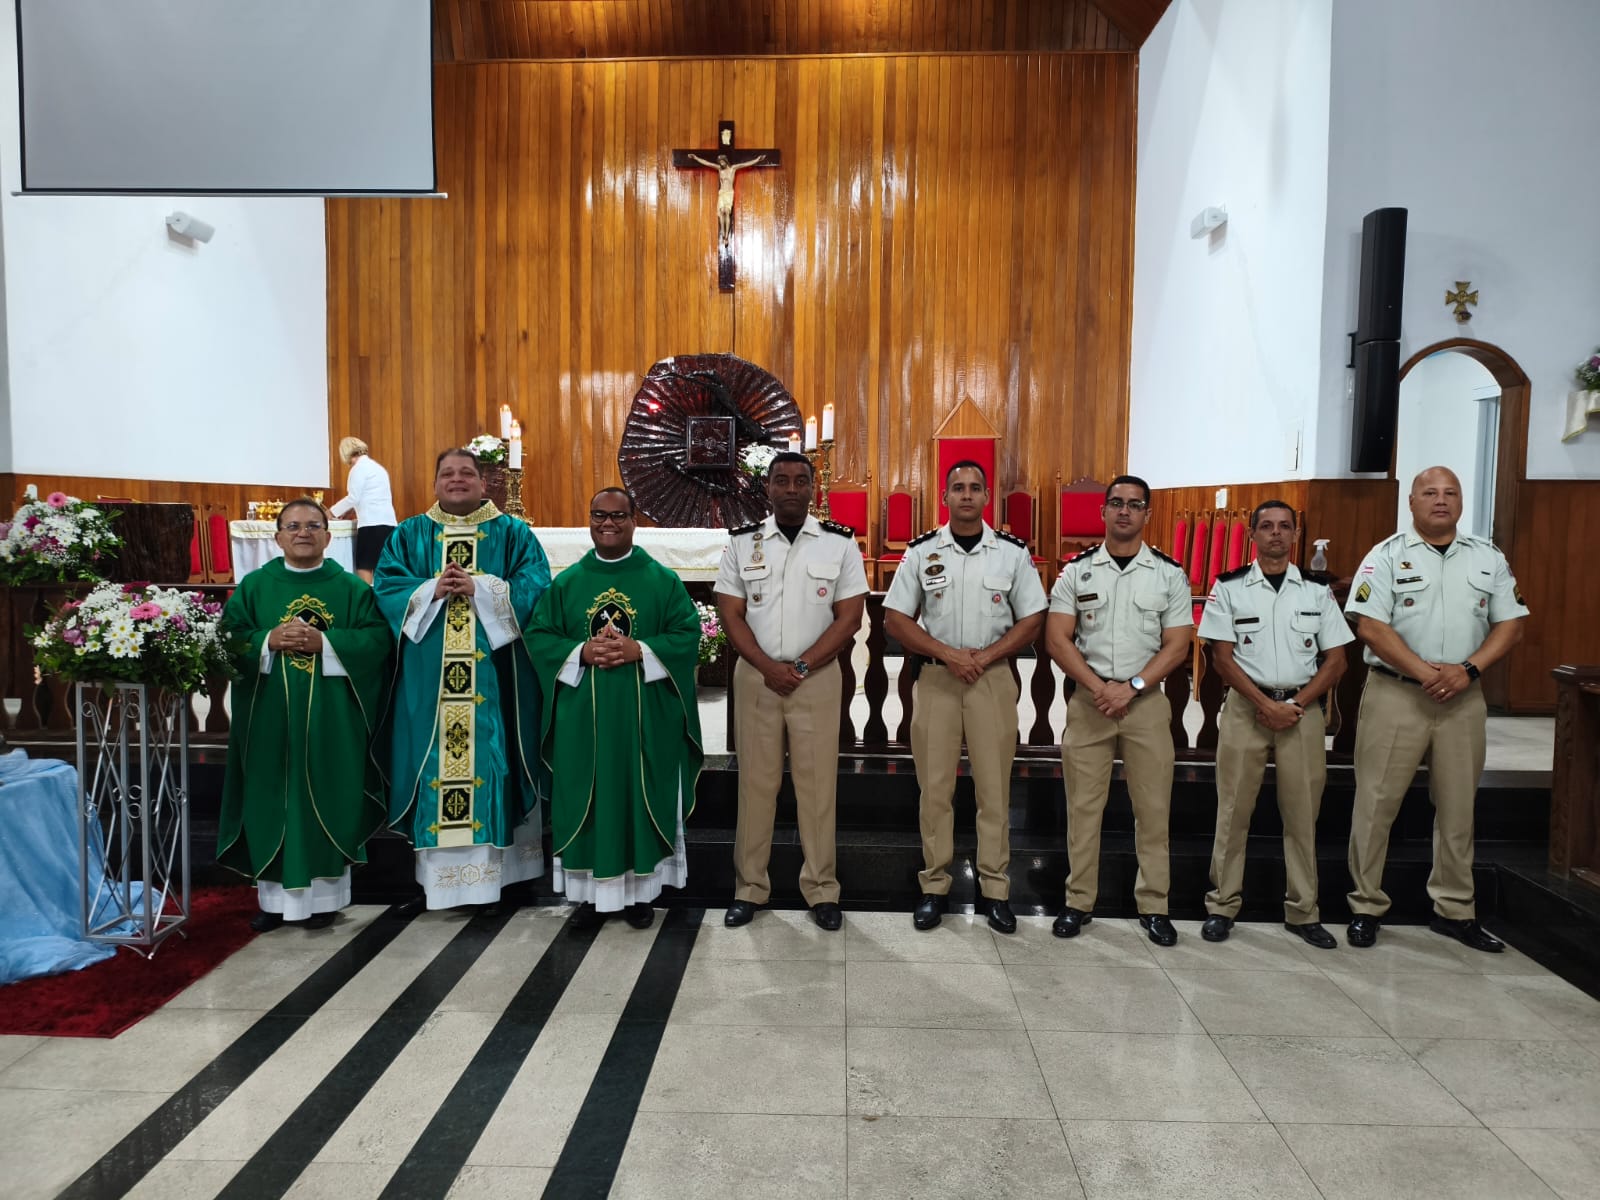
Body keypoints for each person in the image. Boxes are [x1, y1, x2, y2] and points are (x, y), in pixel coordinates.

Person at [1343, 466, 1527, 952]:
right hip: (1397, 694)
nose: (1440, 500)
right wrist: (1427, 674)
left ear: (1461, 501)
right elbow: (1368, 625)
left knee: (1458, 806)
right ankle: (1365, 904)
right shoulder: (1385, 557)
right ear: (1412, 501)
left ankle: (1455, 910)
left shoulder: (1487, 558)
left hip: (1462, 697)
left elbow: (1510, 625)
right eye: (1430, 492)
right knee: (1377, 802)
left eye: (1450, 493)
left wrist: (1466, 671)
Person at [373, 448, 552, 912]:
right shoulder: (411, 533)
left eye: (466, 474)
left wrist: (484, 587)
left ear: (483, 483)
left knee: (492, 765)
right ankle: (436, 884)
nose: (457, 480)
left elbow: (537, 585)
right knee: (431, 765)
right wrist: (431, 587)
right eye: (447, 474)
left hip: (494, 681)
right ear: (435, 483)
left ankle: (493, 884)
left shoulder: (513, 533)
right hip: (431, 683)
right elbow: (387, 587)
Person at [525, 487, 703, 930]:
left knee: (638, 798)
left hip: (644, 721)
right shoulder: (566, 583)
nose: (608, 523)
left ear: (633, 519)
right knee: (587, 796)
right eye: (599, 515)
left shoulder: (661, 580)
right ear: (589, 518)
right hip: (582, 720)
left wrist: (639, 649)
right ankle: (590, 893)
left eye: (618, 516)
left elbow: (687, 635)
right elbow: (539, 636)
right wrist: (581, 652)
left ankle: (641, 892)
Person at [883, 461, 1046, 934]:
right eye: (958, 488)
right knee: (935, 789)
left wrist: (987, 655)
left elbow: (1032, 618)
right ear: (945, 496)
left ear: (987, 496)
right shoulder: (921, 552)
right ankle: (934, 885)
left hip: (991, 681)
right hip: (937, 680)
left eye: (976, 488)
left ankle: (995, 888)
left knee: (994, 790)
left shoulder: (1012, 554)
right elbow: (896, 618)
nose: (968, 495)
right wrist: (947, 654)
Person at [218, 499, 393, 931]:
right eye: (293, 526)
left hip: (332, 724)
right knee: (270, 799)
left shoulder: (352, 589)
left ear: (329, 537)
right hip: (268, 720)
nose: (303, 533)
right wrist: (266, 639)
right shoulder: (255, 586)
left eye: (313, 525)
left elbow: (377, 642)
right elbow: (226, 639)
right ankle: (273, 902)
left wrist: (327, 645)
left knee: (329, 797)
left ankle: (326, 900)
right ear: (277, 537)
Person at [715, 451, 869, 930]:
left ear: (812, 489)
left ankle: (822, 889)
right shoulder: (743, 544)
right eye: (781, 481)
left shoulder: (838, 544)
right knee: (756, 785)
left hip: (816, 680)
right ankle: (749, 888)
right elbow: (729, 612)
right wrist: (767, 666)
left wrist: (799, 667)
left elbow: (850, 617)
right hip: (757, 679)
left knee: (818, 787)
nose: (790, 489)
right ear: (768, 488)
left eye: (800, 481)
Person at [1196, 500, 1352, 949]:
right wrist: (1264, 702)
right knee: (1233, 811)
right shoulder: (1229, 589)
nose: (1276, 534)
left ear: (1296, 536)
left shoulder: (1316, 592)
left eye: (1285, 527)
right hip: (1248, 709)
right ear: (1252, 534)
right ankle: (1222, 905)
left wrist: (1295, 703)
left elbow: (1337, 659)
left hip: (1301, 712)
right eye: (1267, 526)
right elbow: (1221, 659)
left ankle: (1303, 911)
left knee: (1303, 814)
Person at [1045, 475, 1192, 946]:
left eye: (1134, 505)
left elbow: (1178, 645)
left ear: (1147, 514)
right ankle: (1078, 901)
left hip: (1145, 705)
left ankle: (1154, 905)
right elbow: (1056, 638)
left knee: (1153, 810)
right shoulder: (1076, 572)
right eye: (1116, 503)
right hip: (1090, 704)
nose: (1124, 511)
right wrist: (1098, 687)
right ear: (1103, 512)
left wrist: (1131, 687)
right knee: (1083, 808)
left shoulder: (1169, 574)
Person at [328, 436, 398, 585]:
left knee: (364, 567)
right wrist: (347, 512)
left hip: (371, 525)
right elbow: (368, 496)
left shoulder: (358, 469)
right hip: (388, 523)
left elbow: (353, 498)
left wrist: (331, 512)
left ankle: (366, 604)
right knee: (382, 568)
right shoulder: (378, 468)